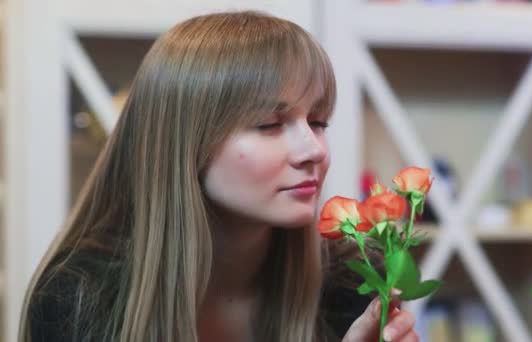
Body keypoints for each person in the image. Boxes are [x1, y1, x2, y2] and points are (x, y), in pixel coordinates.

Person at [19, 11, 418, 342]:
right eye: (269, 124)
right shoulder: (77, 298)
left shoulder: (351, 282)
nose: (314, 150)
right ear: (184, 144)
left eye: (318, 122)